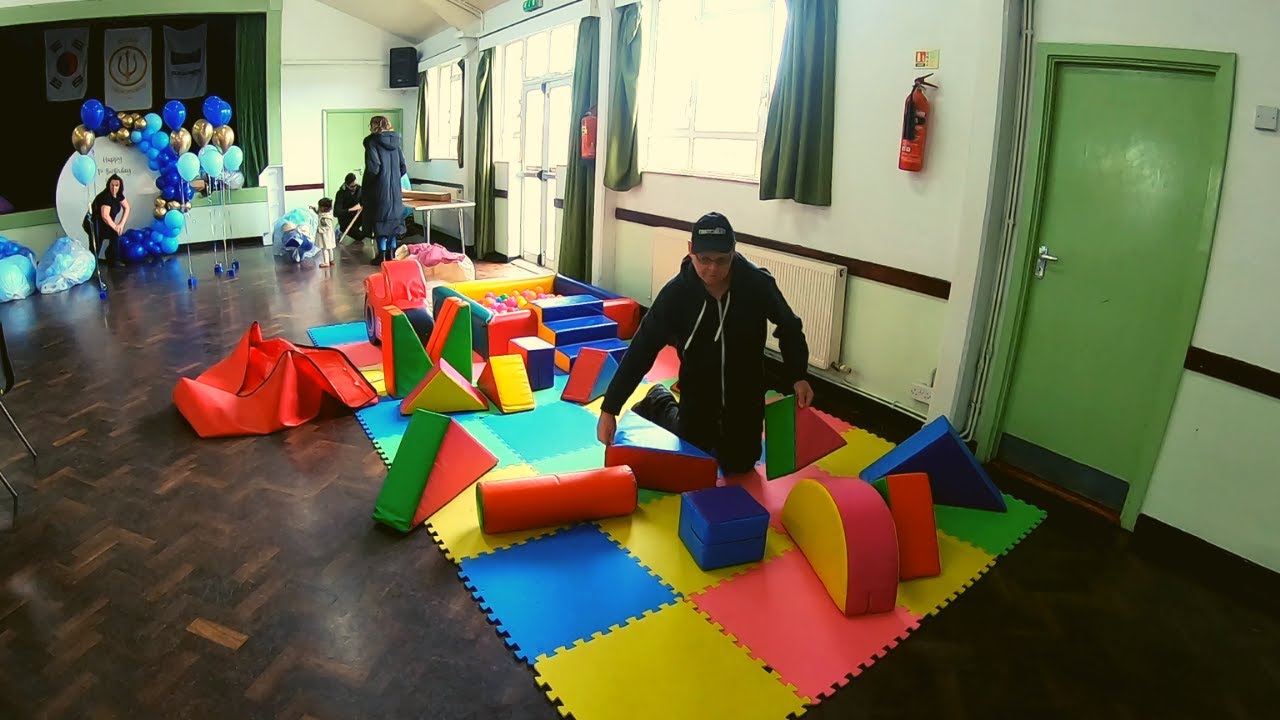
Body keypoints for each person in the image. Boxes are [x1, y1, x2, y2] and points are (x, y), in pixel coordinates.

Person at [596, 212, 815, 476]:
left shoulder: (757, 284)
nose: (712, 269)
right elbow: (642, 348)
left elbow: (789, 325)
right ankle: (658, 401)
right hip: (698, 394)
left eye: (722, 260)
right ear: (691, 251)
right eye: (704, 260)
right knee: (693, 455)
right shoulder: (676, 294)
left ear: (733, 252)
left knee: (740, 465)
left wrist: (798, 375)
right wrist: (610, 408)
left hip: (745, 396)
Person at [362, 115, 408, 264]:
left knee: (380, 221)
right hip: (395, 190)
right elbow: (403, 167)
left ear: (374, 126)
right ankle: (392, 254)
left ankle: (381, 255)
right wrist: (393, 179)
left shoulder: (371, 142)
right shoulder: (396, 143)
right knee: (393, 222)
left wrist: (368, 184)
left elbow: (373, 168)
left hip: (378, 190)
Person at [91, 174, 130, 267]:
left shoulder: (119, 195)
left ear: (120, 186)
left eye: (116, 185)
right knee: (96, 243)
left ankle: (113, 259)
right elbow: (105, 215)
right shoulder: (106, 196)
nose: (114, 188)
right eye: (112, 185)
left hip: (106, 223)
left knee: (115, 235)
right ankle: (91, 264)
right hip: (94, 223)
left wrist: (121, 224)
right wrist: (115, 227)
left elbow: (127, 207)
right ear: (109, 185)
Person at [334, 172, 363, 242]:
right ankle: (339, 229)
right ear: (346, 185)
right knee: (360, 237)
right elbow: (336, 212)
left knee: (369, 232)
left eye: (355, 185)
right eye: (352, 186)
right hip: (346, 221)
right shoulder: (340, 194)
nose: (354, 188)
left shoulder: (360, 189)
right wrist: (351, 209)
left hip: (357, 218)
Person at [313, 197, 338, 268]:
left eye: (319, 206)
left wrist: (320, 230)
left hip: (325, 236)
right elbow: (318, 212)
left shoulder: (326, 218)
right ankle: (331, 260)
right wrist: (314, 208)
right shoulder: (324, 213)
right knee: (330, 248)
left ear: (323, 208)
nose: (319, 208)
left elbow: (328, 227)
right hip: (328, 235)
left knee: (324, 248)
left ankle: (326, 262)